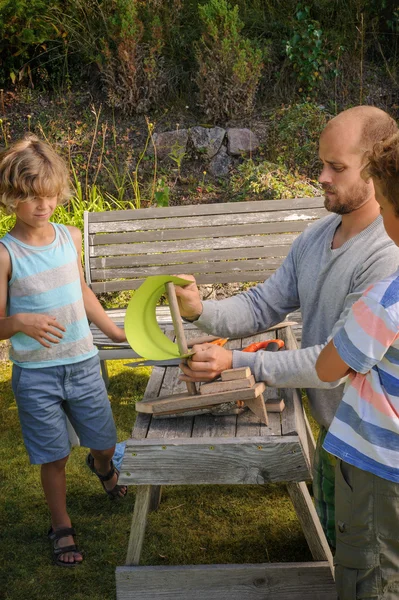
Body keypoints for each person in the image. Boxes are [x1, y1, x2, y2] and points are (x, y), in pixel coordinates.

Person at [174, 106, 399, 549]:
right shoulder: (317, 237)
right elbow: (264, 303)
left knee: (369, 562)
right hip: (333, 431)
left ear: (375, 171)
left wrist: (238, 362)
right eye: (322, 163)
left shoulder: (385, 256)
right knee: (340, 557)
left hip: (371, 447)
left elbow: (329, 361)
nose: (322, 176)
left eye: (337, 167)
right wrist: (201, 310)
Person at [0, 135, 128, 568]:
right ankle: (61, 525)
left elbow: (83, 292)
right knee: (53, 456)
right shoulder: (4, 255)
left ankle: (104, 468)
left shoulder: (69, 238)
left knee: (105, 442)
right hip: (36, 375)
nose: (42, 206)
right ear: (11, 197)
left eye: (49, 196)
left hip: (84, 364)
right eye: (31, 197)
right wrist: (19, 322)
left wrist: (114, 330)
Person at [315, 133, 399, 599]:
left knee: (374, 579)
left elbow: (329, 367)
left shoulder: (386, 299)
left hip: (378, 474)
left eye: (384, 208)